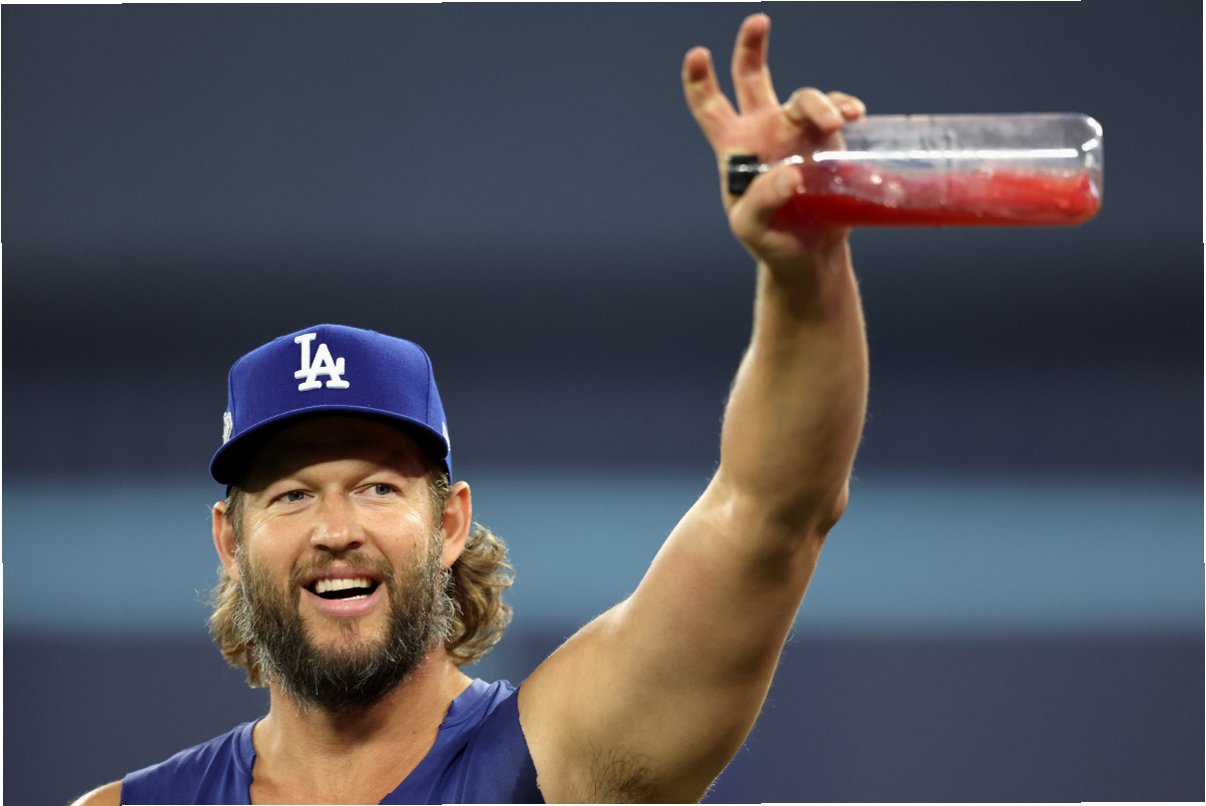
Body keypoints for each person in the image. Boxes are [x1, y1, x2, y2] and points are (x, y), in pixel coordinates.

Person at [72, 13, 869, 805]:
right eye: (291, 494)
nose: (336, 529)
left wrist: (803, 276)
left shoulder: (563, 759)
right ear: (230, 541)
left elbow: (770, 513)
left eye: (378, 486)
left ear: (450, 522)